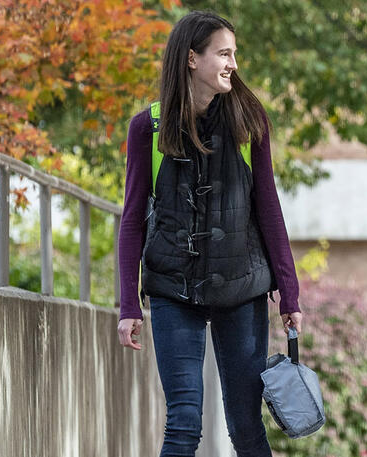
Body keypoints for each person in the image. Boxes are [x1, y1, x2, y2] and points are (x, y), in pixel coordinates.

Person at [113, 11, 303, 457]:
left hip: (241, 287)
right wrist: (128, 303)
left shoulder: (249, 121)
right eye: (224, 53)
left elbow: (269, 209)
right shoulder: (149, 128)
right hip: (172, 288)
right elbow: (132, 217)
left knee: (245, 426)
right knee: (183, 422)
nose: (233, 63)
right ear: (192, 59)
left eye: (234, 54)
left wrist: (289, 294)